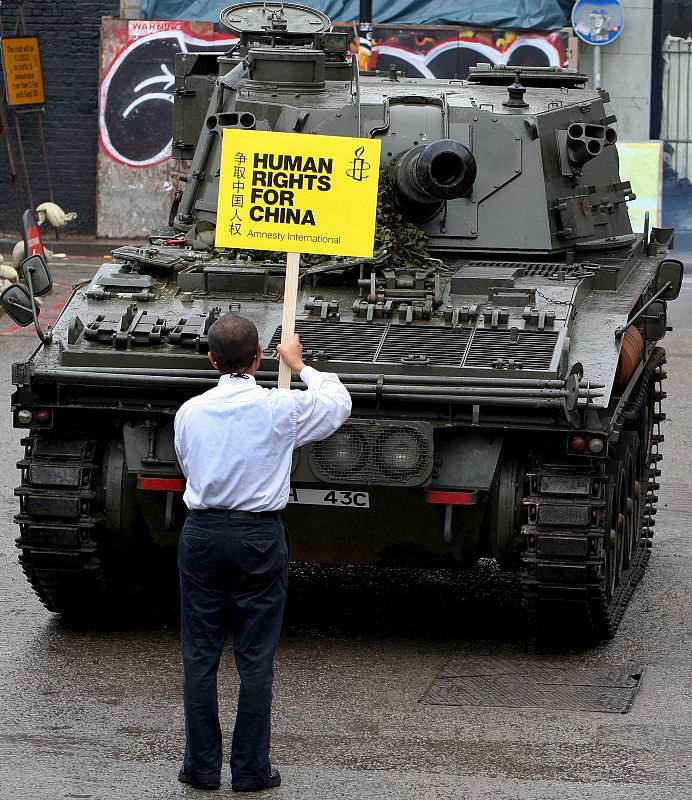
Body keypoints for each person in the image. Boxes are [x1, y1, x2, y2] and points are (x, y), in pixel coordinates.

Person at [173, 314, 351, 792]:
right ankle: (251, 771)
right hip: (258, 537)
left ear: (211, 359)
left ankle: (201, 768)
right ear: (258, 358)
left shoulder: (189, 412)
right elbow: (338, 405)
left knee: (200, 654)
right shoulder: (280, 408)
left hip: (203, 534)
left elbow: (188, 465)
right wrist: (301, 366)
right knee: (255, 657)